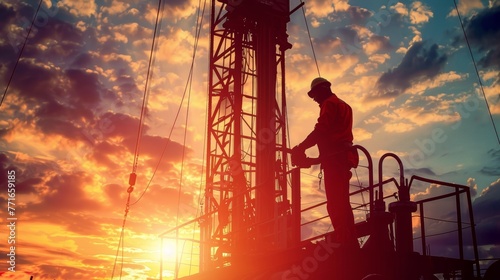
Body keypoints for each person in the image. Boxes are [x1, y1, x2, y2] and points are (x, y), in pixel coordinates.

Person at [292, 77, 359, 249]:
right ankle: (349, 238)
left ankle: (343, 240)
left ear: (323, 89)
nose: (314, 99)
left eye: (315, 95)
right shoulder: (345, 106)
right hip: (343, 158)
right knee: (343, 201)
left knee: (335, 202)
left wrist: (301, 147)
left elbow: (321, 131)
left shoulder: (329, 104)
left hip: (335, 159)